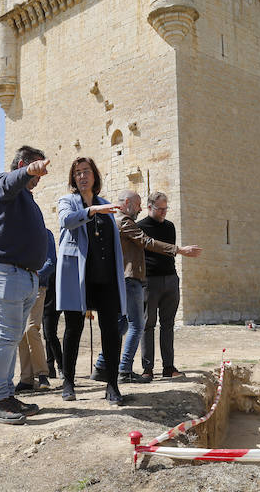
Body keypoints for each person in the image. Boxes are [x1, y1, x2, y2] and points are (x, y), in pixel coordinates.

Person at [91, 190, 202, 383]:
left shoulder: (116, 223)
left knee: (123, 324)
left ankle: (102, 366)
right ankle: (126, 369)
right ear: (128, 203)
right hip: (136, 280)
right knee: (138, 325)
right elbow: (146, 242)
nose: (140, 208)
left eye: (166, 208)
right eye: (139, 204)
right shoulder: (127, 223)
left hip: (140, 279)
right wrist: (179, 250)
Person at [0, 145, 50, 425]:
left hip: (21, 275)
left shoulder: (26, 198)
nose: (40, 175)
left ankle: (5, 394)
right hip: (3, 272)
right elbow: (9, 181)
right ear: (22, 164)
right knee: (7, 335)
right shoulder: (1, 185)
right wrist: (26, 171)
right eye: (36, 169)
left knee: (12, 336)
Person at [55, 157, 127, 405]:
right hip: (77, 273)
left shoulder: (107, 204)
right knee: (73, 328)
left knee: (111, 329)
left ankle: (112, 384)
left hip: (104, 275)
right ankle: (68, 382)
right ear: (73, 179)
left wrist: (99, 208)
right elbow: (66, 220)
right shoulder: (67, 201)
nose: (82, 176)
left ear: (94, 176)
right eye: (77, 173)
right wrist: (92, 211)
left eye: (86, 172)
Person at [137, 191, 202, 380]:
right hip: (149, 281)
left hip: (170, 279)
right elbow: (151, 247)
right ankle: (147, 369)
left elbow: (168, 253)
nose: (164, 212)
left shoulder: (170, 226)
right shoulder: (140, 227)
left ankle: (168, 366)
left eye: (166, 208)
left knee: (168, 324)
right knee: (148, 325)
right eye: (160, 209)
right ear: (150, 207)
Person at [16, 228, 56, 392]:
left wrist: (34, 276)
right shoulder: (15, 233)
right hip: (17, 288)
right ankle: (26, 378)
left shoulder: (45, 234)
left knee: (31, 329)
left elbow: (51, 261)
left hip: (37, 286)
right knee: (20, 333)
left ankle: (42, 374)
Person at [41, 231, 63, 379]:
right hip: (46, 298)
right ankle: (50, 367)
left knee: (49, 333)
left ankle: (61, 366)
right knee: (47, 334)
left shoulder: (50, 264)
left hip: (52, 299)